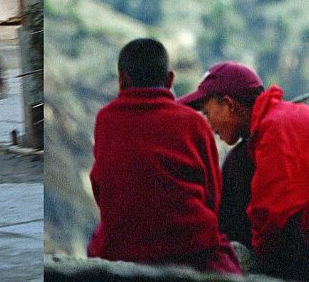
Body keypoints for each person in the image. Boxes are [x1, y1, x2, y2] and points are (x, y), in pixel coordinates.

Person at [180, 62, 309, 282]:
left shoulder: (277, 127)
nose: (209, 124)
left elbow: (272, 214)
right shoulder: (260, 134)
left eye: (208, 113)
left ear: (229, 104)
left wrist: (248, 261)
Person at [87, 39, 242, 273]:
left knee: (94, 244)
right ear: (169, 80)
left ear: (122, 79)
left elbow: (101, 186)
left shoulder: (106, 119)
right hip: (190, 248)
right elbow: (212, 195)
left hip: (123, 247)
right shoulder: (194, 123)